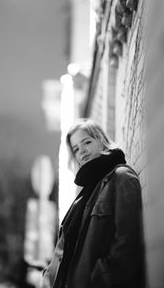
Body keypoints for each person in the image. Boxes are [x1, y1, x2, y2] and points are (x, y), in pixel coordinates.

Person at [42, 119, 146, 288]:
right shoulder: (84, 195)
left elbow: (127, 247)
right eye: (75, 149)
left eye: (87, 142)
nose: (81, 151)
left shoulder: (121, 179)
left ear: (101, 141)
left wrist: (98, 279)